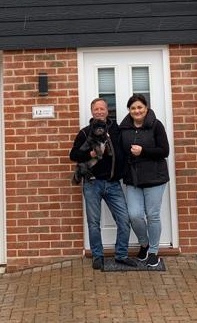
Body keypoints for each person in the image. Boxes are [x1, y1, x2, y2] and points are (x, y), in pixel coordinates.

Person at [69, 97, 136, 270]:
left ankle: (121, 255)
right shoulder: (85, 132)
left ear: (107, 111)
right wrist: (91, 154)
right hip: (92, 183)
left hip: (113, 183)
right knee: (94, 223)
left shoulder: (116, 131)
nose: (99, 111)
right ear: (92, 112)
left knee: (124, 219)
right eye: (96, 109)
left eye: (102, 109)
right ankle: (97, 256)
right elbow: (73, 155)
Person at [119, 93, 170, 268]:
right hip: (133, 178)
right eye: (133, 108)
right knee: (134, 215)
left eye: (140, 107)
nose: (137, 110)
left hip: (155, 177)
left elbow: (164, 151)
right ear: (129, 110)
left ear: (146, 108)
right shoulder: (123, 128)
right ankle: (144, 244)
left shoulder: (156, 125)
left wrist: (144, 151)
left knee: (153, 215)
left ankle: (154, 252)